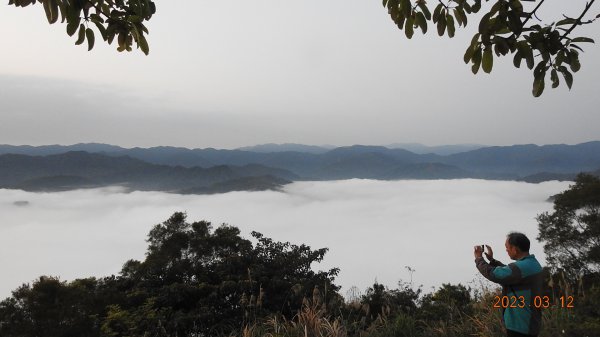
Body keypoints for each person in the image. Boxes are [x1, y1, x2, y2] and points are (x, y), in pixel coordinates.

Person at [474, 232, 544, 337]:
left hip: (520, 325)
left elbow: (494, 274)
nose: (506, 250)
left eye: (507, 247)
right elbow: (513, 274)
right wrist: (492, 260)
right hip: (530, 322)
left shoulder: (522, 267)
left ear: (515, 249)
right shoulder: (532, 263)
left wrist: (479, 258)